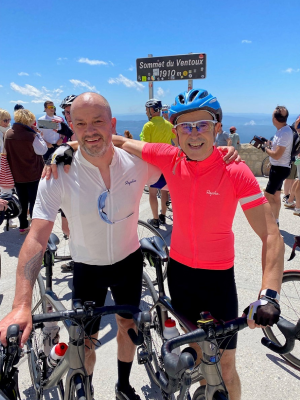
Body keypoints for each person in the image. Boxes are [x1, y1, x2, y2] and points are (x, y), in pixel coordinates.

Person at [111, 88, 283, 400]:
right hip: (180, 274)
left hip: (218, 279)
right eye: (185, 127)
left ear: (218, 128)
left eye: (202, 124)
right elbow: (121, 142)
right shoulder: (170, 157)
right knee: (196, 351)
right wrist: (64, 151)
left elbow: (271, 235)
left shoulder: (235, 171)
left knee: (226, 367)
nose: (194, 134)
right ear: (174, 133)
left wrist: (268, 295)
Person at [5, 109, 47, 234]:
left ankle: (22, 226)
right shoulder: (31, 135)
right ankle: (35, 227)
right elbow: (42, 150)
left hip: (17, 174)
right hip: (33, 174)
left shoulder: (8, 133)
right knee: (35, 201)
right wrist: (39, 135)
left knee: (22, 200)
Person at [140, 99, 178, 228]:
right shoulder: (168, 125)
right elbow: (177, 143)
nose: (146, 112)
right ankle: (163, 216)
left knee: (152, 192)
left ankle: (155, 220)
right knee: (164, 191)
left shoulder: (148, 126)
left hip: (153, 163)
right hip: (167, 163)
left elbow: (144, 146)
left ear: (152, 110)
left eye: (146, 109)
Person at [263, 106, 294, 226]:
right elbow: (278, 149)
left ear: (275, 119)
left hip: (279, 169)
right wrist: (269, 144)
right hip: (279, 168)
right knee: (275, 196)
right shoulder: (282, 130)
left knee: (267, 196)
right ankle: (275, 221)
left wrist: (265, 149)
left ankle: (269, 223)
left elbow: (276, 155)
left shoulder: (285, 132)